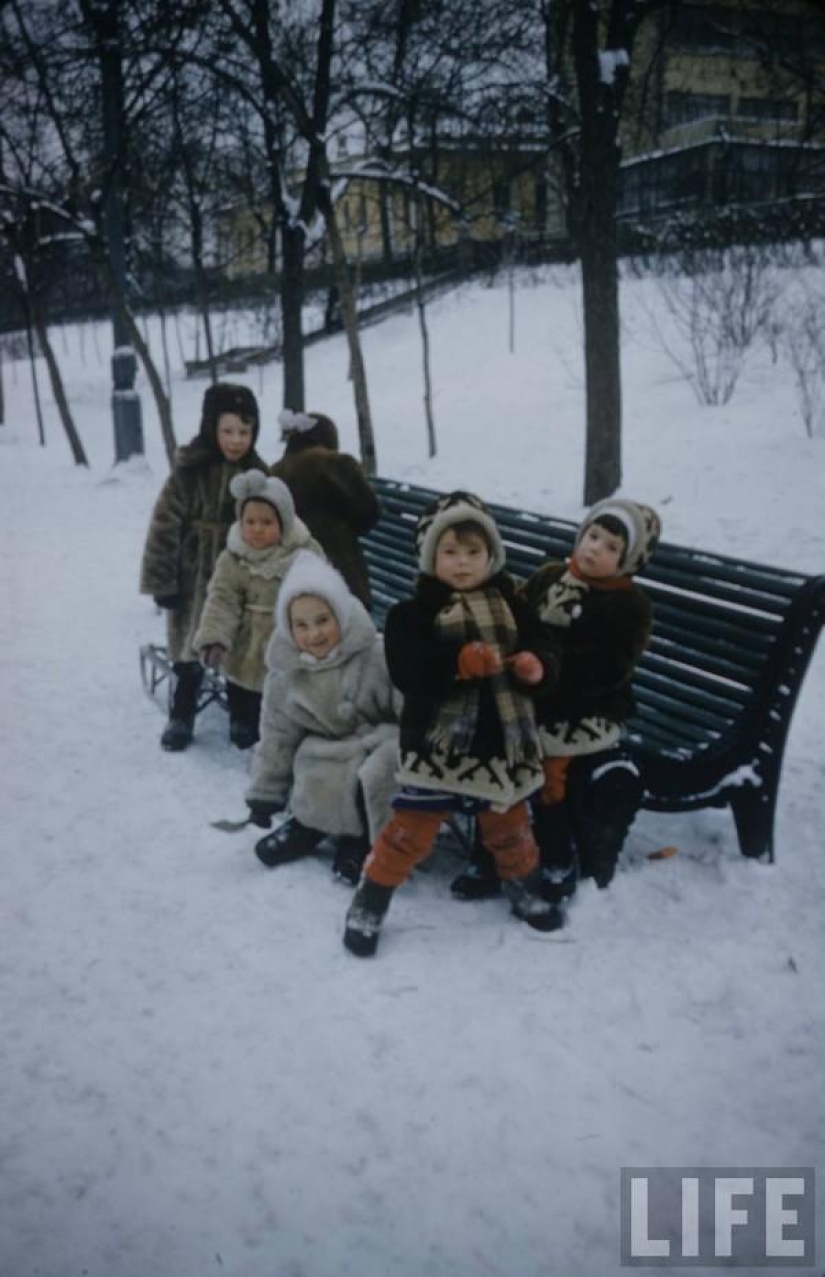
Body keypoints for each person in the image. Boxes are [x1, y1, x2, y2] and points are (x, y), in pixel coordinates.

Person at [342, 490, 565, 958]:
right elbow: (408, 668)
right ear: (430, 557)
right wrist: (457, 662)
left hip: (500, 745)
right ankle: (372, 896)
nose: (462, 564)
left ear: (492, 556)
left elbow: (546, 648)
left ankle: (523, 885)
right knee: (411, 829)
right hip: (435, 746)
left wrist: (537, 666)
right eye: (449, 552)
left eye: (473, 552)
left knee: (510, 825)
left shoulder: (515, 608)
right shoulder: (412, 615)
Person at [451, 498, 661, 904]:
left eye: (611, 547)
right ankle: (491, 853)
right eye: (593, 536)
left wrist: (545, 674)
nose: (595, 549)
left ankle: (555, 857)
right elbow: (518, 614)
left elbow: (609, 667)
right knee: (492, 752)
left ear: (628, 561)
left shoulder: (628, 606)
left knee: (547, 772)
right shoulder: (551, 577)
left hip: (586, 710)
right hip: (533, 694)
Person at [245, 551, 401, 885]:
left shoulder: (376, 654)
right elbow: (276, 738)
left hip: (379, 744)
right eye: (301, 625)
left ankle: (359, 840)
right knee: (315, 759)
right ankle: (308, 825)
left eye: (322, 620)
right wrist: (264, 794)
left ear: (340, 616)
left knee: (374, 769)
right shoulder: (287, 676)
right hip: (327, 752)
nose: (314, 634)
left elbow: (409, 707)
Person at [139, 382, 267, 752]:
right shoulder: (189, 471)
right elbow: (163, 526)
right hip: (192, 575)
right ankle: (182, 714)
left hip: (239, 575)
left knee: (240, 644)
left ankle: (243, 714)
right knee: (189, 645)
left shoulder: (258, 475)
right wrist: (162, 580)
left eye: (245, 431)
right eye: (227, 430)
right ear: (211, 427)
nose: (236, 440)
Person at [192, 472, 324, 749]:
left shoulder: (303, 553)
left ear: (284, 523)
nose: (256, 529)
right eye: (249, 522)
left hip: (288, 636)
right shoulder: (234, 558)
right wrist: (215, 637)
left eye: (267, 522)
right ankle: (242, 721)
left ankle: (288, 729)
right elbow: (222, 600)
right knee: (242, 681)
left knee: (286, 687)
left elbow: (323, 592)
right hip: (246, 638)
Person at [270, 409, 379, 607]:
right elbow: (368, 515)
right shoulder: (335, 464)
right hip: (342, 575)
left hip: (289, 577)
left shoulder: (273, 473)